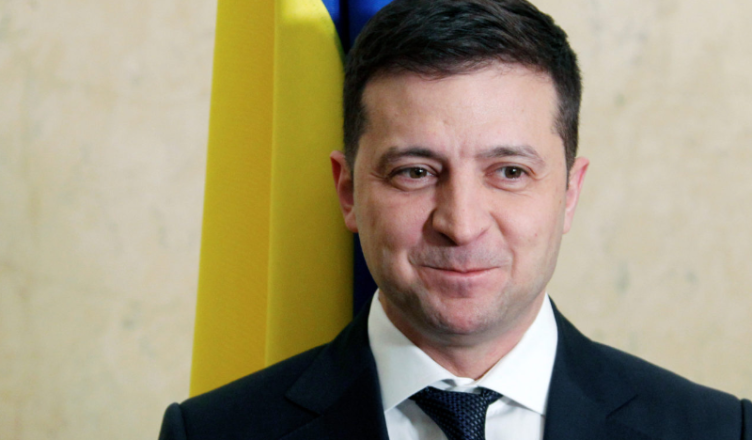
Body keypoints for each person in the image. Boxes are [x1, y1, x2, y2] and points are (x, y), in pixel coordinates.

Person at [158, 0, 751, 439]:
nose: (461, 225)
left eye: (510, 172)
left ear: (570, 192)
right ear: (348, 192)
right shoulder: (212, 433)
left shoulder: (718, 431)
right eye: (415, 172)